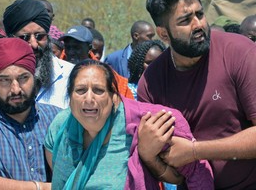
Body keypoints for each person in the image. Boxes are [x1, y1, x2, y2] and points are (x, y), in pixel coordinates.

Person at [137, 0, 256, 189]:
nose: (198, 24)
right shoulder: (152, 82)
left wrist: (195, 151)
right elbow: (170, 169)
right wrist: (148, 155)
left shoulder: (239, 52)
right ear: (164, 34)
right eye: (185, 20)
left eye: (200, 14)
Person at [44, 59, 213, 190]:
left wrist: (148, 156)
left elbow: (190, 172)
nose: (89, 99)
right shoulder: (61, 127)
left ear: (114, 97)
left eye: (98, 90)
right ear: (70, 96)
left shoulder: (147, 124)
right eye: (80, 90)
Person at [0, 38, 62, 190]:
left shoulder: (56, 118)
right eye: (5, 80)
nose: (16, 89)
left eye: (23, 78)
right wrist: (42, 188)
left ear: (34, 78)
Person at [0, 0, 74, 109]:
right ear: (10, 38)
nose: (34, 44)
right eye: (25, 37)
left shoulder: (71, 76)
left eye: (40, 36)